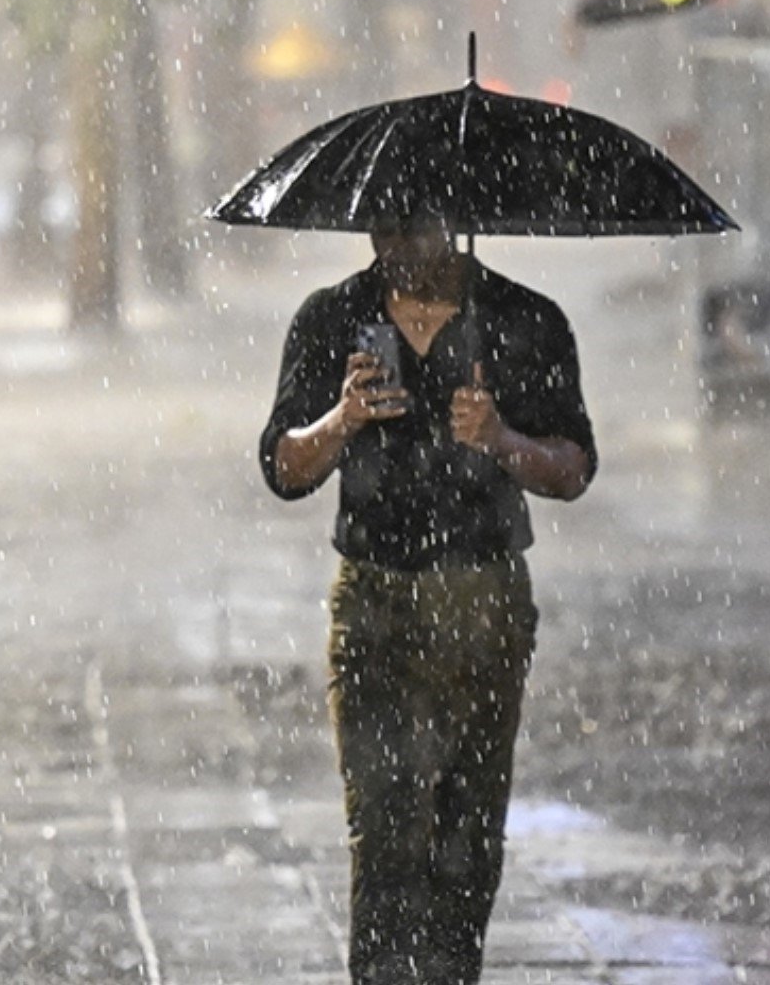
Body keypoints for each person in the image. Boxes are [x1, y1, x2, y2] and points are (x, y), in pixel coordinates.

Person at [258, 209, 596, 985]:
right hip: (373, 597)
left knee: (467, 831)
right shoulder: (331, 318)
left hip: (483, 596)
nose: (395, 250)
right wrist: (341, 420)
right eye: (379, 231)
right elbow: (282, 466)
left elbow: (573, 469)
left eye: (413, 230)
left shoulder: (524, 321)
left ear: (455, 220)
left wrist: (502, 439)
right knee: (382, 826)